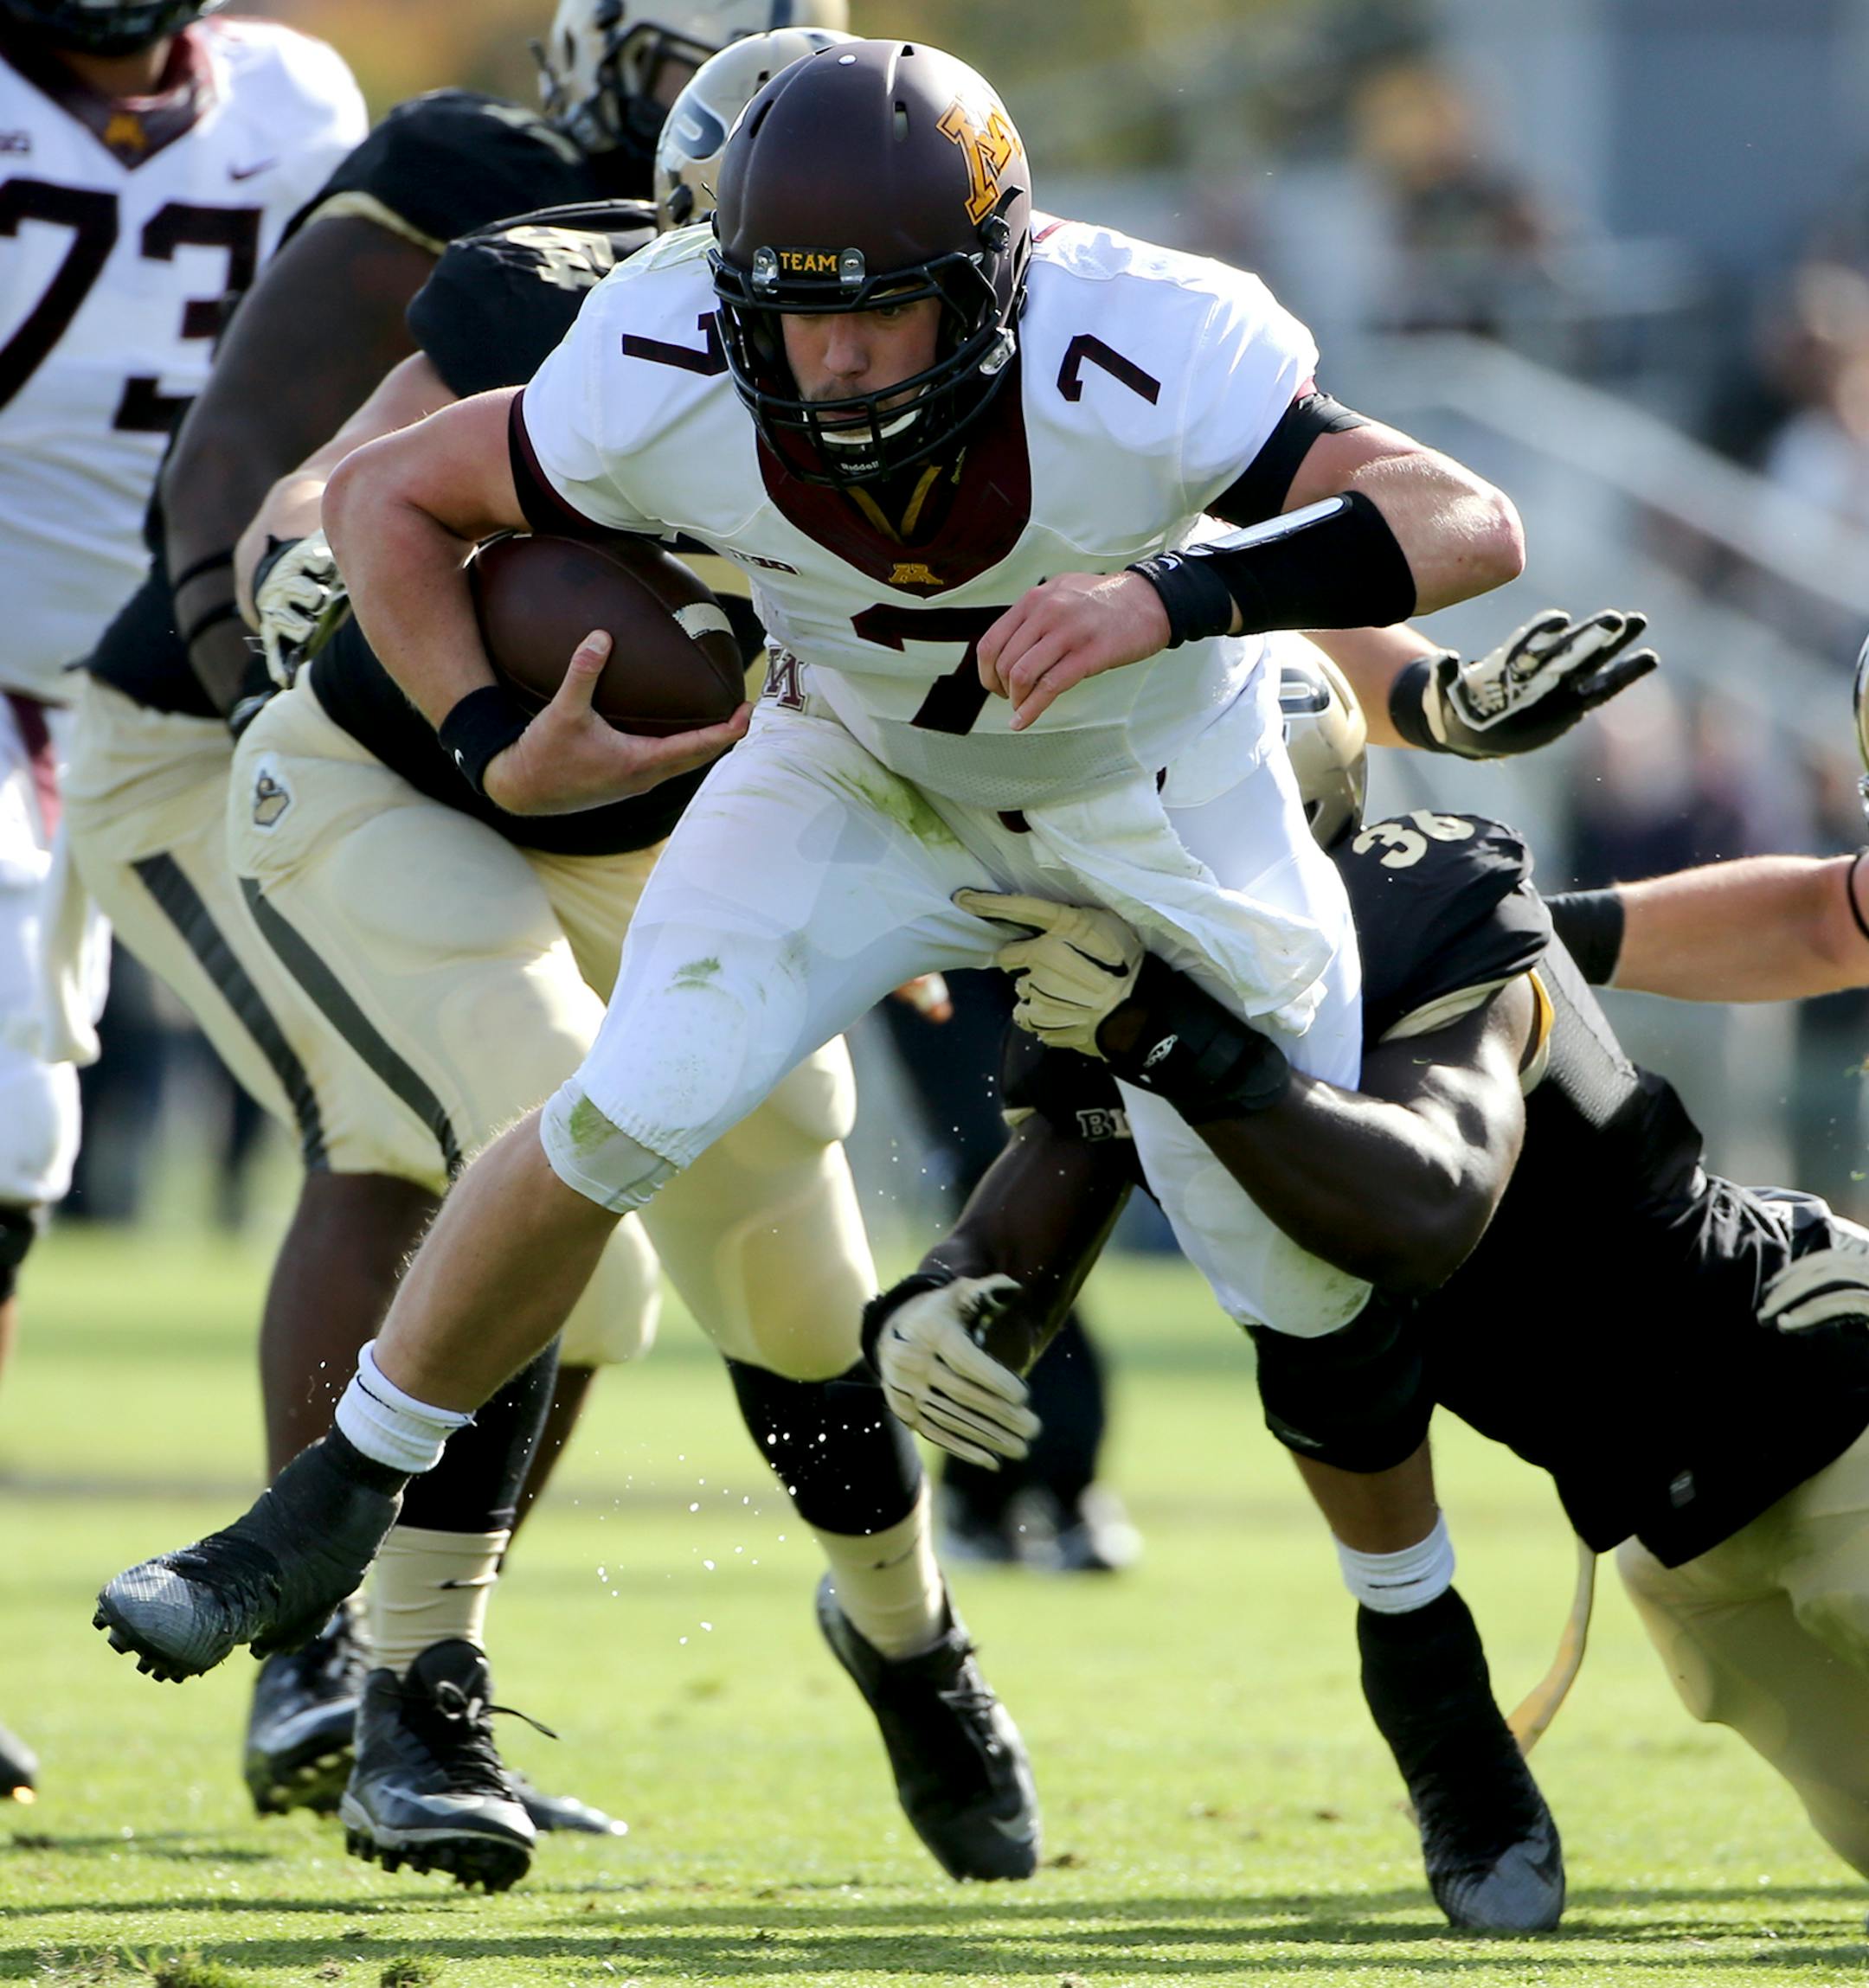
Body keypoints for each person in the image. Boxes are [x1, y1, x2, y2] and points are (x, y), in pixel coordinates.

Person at [95, 32, 1529, 1845]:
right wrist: (470, 725)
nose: (830, 362)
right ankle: (336, 1550)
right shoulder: (634, 332)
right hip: (784, 773)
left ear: (998, 277)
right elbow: (365, 490)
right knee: (613, 1107)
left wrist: (1185, 597)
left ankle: (1394, 1662)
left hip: (1139, 786)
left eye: (882, 312)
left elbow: (1454, 519)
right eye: (785, 303)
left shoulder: (1143, 338)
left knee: (1298, 1279)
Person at [60, 0, 845, 1852]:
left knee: (535, 1181)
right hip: (233, 741)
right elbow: (250, 456)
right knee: (441, 1147)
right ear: (597, 66)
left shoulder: (823, 272)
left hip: (494, 788)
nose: (722, 124)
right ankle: (338, 1672)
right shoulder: (478, 190)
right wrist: (287, 686)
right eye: (681, 76)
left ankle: (401, 1673)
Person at [870, 653, 1869, 1930]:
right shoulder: (1129, 976)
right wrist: (937, 1302)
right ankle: (1428, 1687)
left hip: (1818, 1390)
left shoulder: (1427, 905)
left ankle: (1428, 1695)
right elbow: (1037, 1204)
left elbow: (1423, 1206)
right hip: (1677, 1535)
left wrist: (1172, 1035)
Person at [0, 0, 363, 1799]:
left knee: (403, 1116)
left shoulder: (295, 95)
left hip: (207, 686)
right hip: (6, 678)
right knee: (5, 1139)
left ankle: (338, 1660)